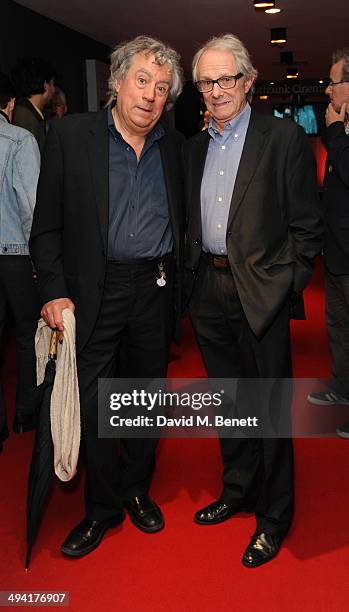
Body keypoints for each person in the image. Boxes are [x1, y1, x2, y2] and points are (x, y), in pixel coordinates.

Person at [30, 36, 184, 557]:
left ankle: (137, 489)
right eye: (142, 81)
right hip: (92, 292)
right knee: (95, 405)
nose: (150, 96)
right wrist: (52, 291)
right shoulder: (70, 137)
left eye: (162, 88)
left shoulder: (174, 147)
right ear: (116, 82)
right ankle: (100, 507)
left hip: (154, 289)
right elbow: (45, 228)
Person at [184, 34, 322, 567]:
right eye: (207, 81)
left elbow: (306, 226)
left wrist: (287, 283)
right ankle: (238, 488)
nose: (217, 90)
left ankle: (275, 515)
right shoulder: (194, 146)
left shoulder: (283, 138)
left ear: (246, 81)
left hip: (261, 292)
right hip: (208, 291)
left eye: (226, 79)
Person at [307, 49, 349, 439]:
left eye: (334, 81)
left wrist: (335, 130)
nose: (328, 88)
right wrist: (334, 127)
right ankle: (343, 386)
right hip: (337, 252)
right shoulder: (341, 124)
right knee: (338, 326)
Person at [0, 72, 40, 448]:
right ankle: (26, 414)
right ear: (9, 103)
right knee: (28, 333)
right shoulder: (18, 139)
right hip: (14, 254)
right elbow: (30, 205)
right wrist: (40, 257)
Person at [11, 57, 56, 155]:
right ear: (45, 85)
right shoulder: (25, 118)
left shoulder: (28, 113)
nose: (54, 90)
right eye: (52, 83)